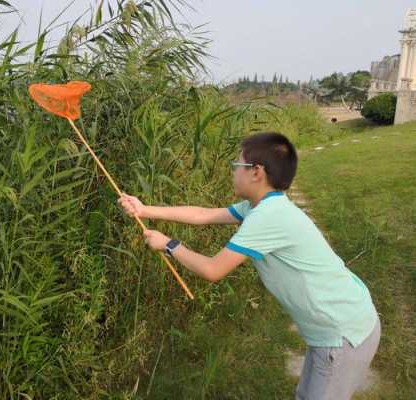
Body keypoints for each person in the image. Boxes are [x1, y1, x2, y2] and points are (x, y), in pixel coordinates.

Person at [117, 132, 380, 400]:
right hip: (337, 327)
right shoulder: (261, 206)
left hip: (343, 333)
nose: (233, 172)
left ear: (256, 172)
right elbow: (203, 215)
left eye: (236, 166)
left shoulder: (267, 217)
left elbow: (212, 270)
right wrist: (145, 210)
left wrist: (169, 245)